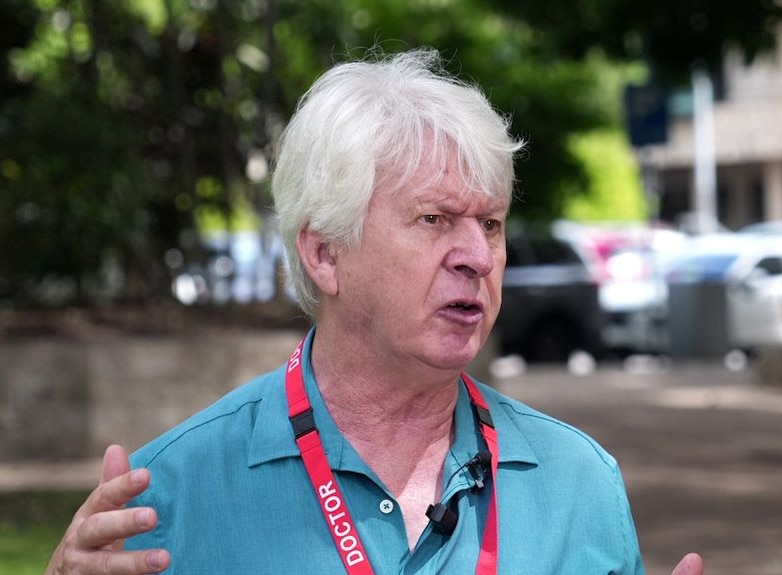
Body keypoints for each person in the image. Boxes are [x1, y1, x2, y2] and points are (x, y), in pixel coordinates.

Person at [45, 48, 703, 575]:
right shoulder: (168, 499)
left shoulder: (580, 483)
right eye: (434, 218)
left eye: (492, 223)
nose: (477, 253)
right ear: (325, 253)